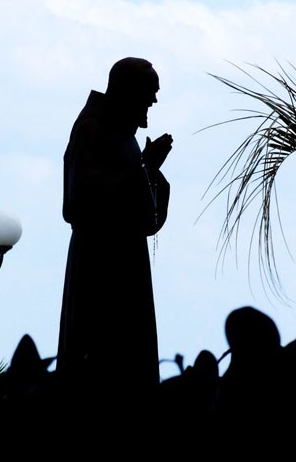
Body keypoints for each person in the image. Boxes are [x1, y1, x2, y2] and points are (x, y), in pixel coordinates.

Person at [56, 57, 172, 400]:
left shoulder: (122, 134)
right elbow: (81, 201)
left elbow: (142, 209)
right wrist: (143, 168)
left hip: (125, 259)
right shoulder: (92, 129)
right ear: (128, 92)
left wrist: (148, 169)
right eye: (149, 93)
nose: (153, 102)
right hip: (100, 263)